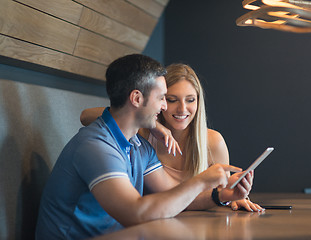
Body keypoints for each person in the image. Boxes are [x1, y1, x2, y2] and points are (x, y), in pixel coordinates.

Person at [36, 54, 253, 239]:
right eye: (162, 98)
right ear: (136, 98)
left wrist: (222, 195)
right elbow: (135, 213)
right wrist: (201, 180)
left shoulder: (139, 146)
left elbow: (175, 197)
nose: (165, 107)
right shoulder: (96, 146)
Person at [80, 63, 263, 212]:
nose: (182, 109)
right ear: (158, 100)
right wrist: (154, 125)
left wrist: (233, 197)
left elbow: (220, 192)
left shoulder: (213, 142)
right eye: (171, 99)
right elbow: (86, 116)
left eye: (190, 100)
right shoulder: (142, 136)